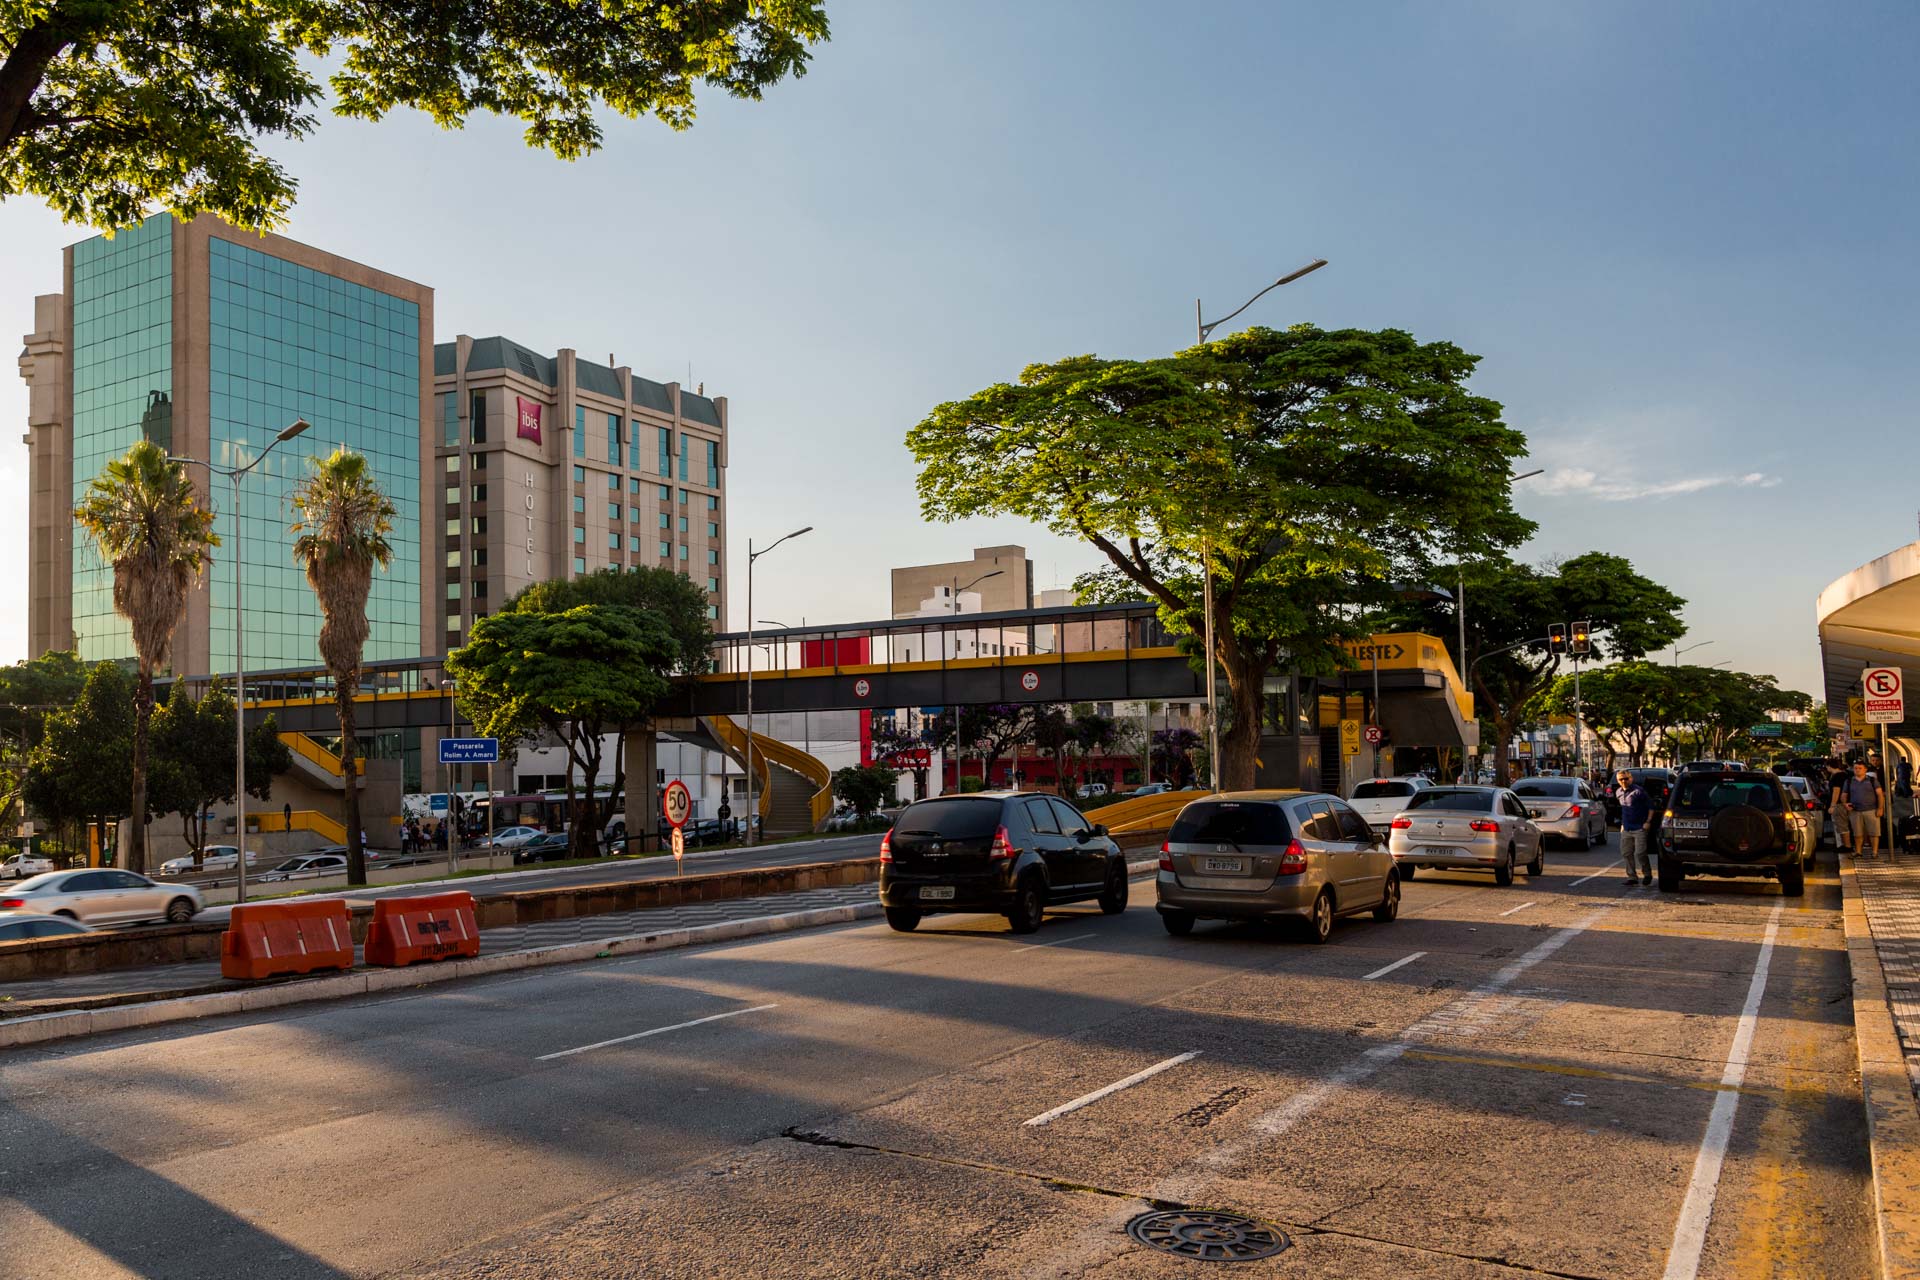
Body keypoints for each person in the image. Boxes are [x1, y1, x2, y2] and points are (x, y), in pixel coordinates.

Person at [1842, 760, 1886, 860]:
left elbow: (1880, 795)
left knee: (1874, 833)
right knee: (1857, 833)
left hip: (1871, 810)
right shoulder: (1849, 781)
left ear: (1865, 769)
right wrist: (1845, 804)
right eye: (1855, 768)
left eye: (1860, 768)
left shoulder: (1872, 780)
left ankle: (1874, 852)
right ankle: (1858, 852)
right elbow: (1844, 795)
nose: (1857, 770)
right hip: (1855, 811)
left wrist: (1880, 808)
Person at [1617, 771, 1653, 886]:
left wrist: (1648, 822)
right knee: (1626, 853)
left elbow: (1651, 807)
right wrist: (1622, 824)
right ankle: (1632, 877)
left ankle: (1647, 874)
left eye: (1625, 779)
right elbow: (1624, 810)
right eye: (1620, 779)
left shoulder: (1638, 791)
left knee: (1640, 853)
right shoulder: (1618, 792)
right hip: (1627, 828)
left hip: (1639, 827)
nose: (1623, 781)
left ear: (1631, 779)